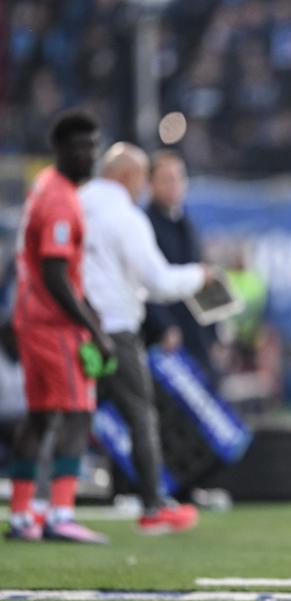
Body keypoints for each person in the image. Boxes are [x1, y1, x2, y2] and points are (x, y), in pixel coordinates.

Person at [81, 142, 210, 534]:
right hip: (116, 330)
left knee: (63, 416)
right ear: (129, 177)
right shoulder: (126, 216)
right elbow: (156, 281)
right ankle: (153, 505)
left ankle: (38, 506)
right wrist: (198, 276)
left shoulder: (73, 201)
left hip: (70, 327)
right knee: (139, 414)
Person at [7, 109, 114, 544]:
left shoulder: (47, 189)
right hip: (52, 325)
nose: (90, 156)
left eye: (94, 146)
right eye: (81, 148)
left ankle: (23, 515)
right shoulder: (59, 199)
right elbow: (54, 272)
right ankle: (60, 513)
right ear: (61, 151)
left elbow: (56, 271)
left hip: (33, 318)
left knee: (38, 417)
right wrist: (93, 325)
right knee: (76, 411)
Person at [142, 150, 217, 382]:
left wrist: (214, 333)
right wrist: (164, 327)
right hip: (160, 338)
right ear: (150, 184)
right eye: (166, 179)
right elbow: (144, 281)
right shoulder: (143, 225)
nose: (174, 185)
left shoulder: (187, 224)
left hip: (194, 332)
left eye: (178, 178)